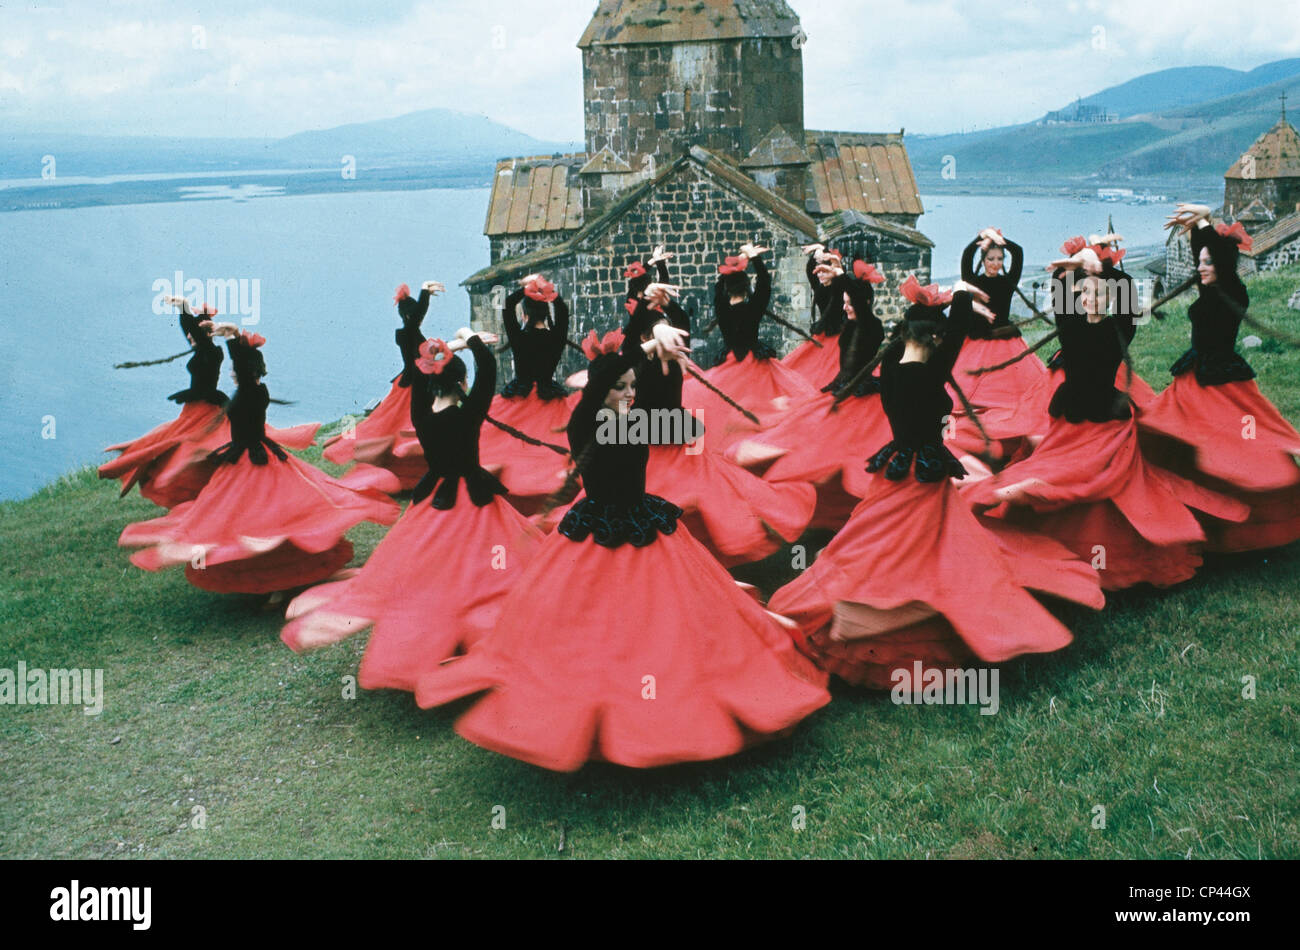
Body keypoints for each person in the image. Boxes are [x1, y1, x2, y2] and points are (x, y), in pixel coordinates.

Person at [412, 326, 830, 772]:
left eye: (634, 387)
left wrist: (662, 362)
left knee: (673, 616)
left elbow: (681, 427)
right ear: (601, 389)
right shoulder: (587, 421)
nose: (631, 394)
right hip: (599, 527)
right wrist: (648, 343)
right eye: (623, 387)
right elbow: (607, 381)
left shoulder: (631, 422)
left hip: (645, 522)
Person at [770, 278, 1105, 688]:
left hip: (896, 470)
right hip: (923, 479)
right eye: (941, 338)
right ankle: (873, 615)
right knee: (929, 558)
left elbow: (946, 334)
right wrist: (961, 294)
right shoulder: (929, 374)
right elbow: (958, 332)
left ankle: (860, 611)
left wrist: (955, 300)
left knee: (880, 546)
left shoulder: (890, 365)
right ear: (932, 338)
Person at [963, 245, 1249, 590]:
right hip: (1071, 420)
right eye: (1085, 293)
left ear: (1109, 297)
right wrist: (1070, 271)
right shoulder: (1070, 327)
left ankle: (1103, 552)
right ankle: (1037, 513)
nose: (1091, 298)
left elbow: (1125, 289)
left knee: (1102, 488)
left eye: (1099, 293)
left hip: (1108, 421)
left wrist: (1103, 268)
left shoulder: (1120, 329)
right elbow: (1060, 294)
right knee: (1058, 471)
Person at [283, 327, 545, 690]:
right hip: (473, 497)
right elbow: (488, 369)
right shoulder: (469, 413)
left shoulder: (421, 413)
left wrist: (444, 351)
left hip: (435, 499)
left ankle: (444, 629)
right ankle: (476, 627)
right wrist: (469, 339)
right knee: (488, 564)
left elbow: (426, 374)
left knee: (434, 566)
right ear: (462, 381)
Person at [120, 326, 400, 596]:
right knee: (249, 516)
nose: (231, 373)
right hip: (246, 457)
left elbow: (241, 369)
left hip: (254, 461)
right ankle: (277, 576)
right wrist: (233, 339)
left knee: (261, 516)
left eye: (235, 370)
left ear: (245, 371)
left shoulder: (252, 392)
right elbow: (241, 369)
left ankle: (281, 577)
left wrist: (233, 340)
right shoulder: (254, 390)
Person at [1138, 204, 1300, 552]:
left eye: (1207, 263)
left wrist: (1205, 221)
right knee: (1177, 437)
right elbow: (1207, 256)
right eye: (1200, 262)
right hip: (1195, 375)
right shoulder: (1211, 286)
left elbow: (1219, 262)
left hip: (1222, 380)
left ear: (1223, 265)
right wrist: (1198, 226)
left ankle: (1242, 520)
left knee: (1231, 446)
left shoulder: (1234, 292)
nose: (1200, 267)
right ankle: (1191, 512)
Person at [625, 284, 816, 566]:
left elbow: (680, 325)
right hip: (646, 445)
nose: (672, 338)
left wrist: (662, 306)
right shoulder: (635, 364)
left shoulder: (674, 355)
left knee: (706, 494)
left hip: (677, 444)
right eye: (662, 333)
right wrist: (647, 313)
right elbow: (631, 348)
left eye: (671, 333)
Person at [100, 297, 316, 507]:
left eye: (193, 335)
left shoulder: (211, 352)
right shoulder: (204, 350)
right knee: (166, 441)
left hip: (204, 409)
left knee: (181, 446)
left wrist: (185, 308)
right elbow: (194, 335)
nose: (189, 338)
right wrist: (188, 315)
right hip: (193, 409)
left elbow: (202, 340)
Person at [734, 259, 897, 531]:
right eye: (844, 302)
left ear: (862, 302)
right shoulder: (851, 324)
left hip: (863, 397)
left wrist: (843, 276)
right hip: (840, 391)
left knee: (838, 454)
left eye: (849, 302)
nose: (845, 306)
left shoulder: (872, 326)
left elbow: (857, 303)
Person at [682, 242, 816, 454]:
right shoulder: (753, 308)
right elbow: (765, 285)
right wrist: (754, 259)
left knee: (724, 404)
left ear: (727, 288)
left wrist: (727, 274)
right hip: (754, 363)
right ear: (746, 288)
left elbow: (718, 293)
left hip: (730, 361)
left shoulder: (722, 311)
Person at [322, 282, 444, 491]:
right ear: (410, 316)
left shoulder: (408, 333)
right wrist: (425, 292)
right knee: (404, 427)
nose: (421, 319)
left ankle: (411, 470)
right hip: (413, 386)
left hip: (413, 382)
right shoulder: (408, 332)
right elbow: (416, 322)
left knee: (398, 427)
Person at [475, 273, 576, 514]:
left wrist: (524, 288)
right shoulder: (556, 336)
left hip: (518, 398)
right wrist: (546, 290)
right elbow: (563, 312)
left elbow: (508, 305)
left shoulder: (519, 336)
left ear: (524, 315)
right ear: (547, 314)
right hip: (548, 398)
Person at [782, 244, 849, 384]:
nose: (820, 275)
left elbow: (842, 279)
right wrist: (817, 250)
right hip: (824, 333)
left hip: (839, 334)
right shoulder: (819, 287)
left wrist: (824, 253)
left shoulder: (838, 286)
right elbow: (810, 271)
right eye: (818, 272)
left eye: (824, 271)